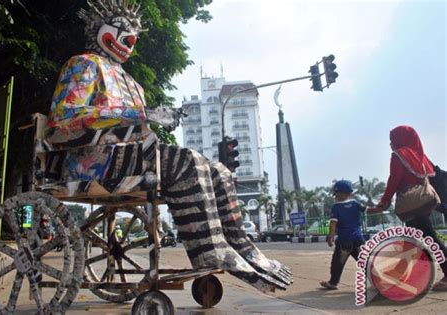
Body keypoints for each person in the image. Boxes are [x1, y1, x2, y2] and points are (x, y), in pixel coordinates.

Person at [46, 0, 292, 292]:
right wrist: (138, 114)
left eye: (134, 35)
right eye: (124, 32)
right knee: (186, 160)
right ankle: (210, 251)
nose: (131, 41)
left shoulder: (132, 84)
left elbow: (139, 128)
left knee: (219, 171)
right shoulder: (84, 65)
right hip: (93, 160)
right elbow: (63, 120)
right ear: (102, 31)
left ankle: (241, 245)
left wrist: (148, 117)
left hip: (131, 157)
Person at [367, 125, 447, 291]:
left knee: (425, 239)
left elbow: (394, 180)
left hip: (411, 205)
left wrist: (384, 202)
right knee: (416, 240)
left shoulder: (399, 155)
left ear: (400, 139)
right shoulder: (421, 156)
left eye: (392, 140)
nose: (390, 144)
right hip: (423, 202)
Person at [320, 180, 366, 290]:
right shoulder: (355, 204)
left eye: (336, 194)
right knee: (365, 261)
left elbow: (333, 223)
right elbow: (368, 210)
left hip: (344, 241)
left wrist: (330, 237)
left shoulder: (336, 207)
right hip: (358, 239)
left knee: (337, 263)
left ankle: (333, 283)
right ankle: (379, 280)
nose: (335, 196)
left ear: (342, 194)